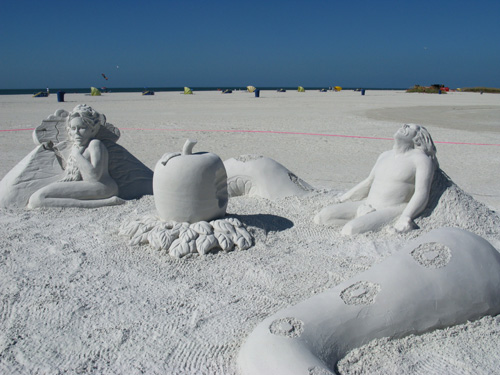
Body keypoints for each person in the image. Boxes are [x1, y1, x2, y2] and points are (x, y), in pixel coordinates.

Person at [314, 124, 438, 235]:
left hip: (392, 208)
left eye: (412, 128)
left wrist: (406, 217)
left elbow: (421, 193)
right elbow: (368, 182)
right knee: (323, 217)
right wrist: (343, 198)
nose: (405, 126)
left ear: (417, 138)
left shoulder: (420, 160)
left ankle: (363, 219)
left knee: (351, 230)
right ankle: (363, 217)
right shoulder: (385, 155)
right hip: (368, 203)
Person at [28, 105, 124, 208]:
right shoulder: (79, 146)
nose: (77, 133)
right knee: (37, 199)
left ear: (93, 130)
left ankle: (108, 202)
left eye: (82, 128)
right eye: (73, 129)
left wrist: (77, 154)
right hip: (93, 186)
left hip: (103, 187)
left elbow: (94, 176)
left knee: (37, 199)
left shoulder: (95, 144)